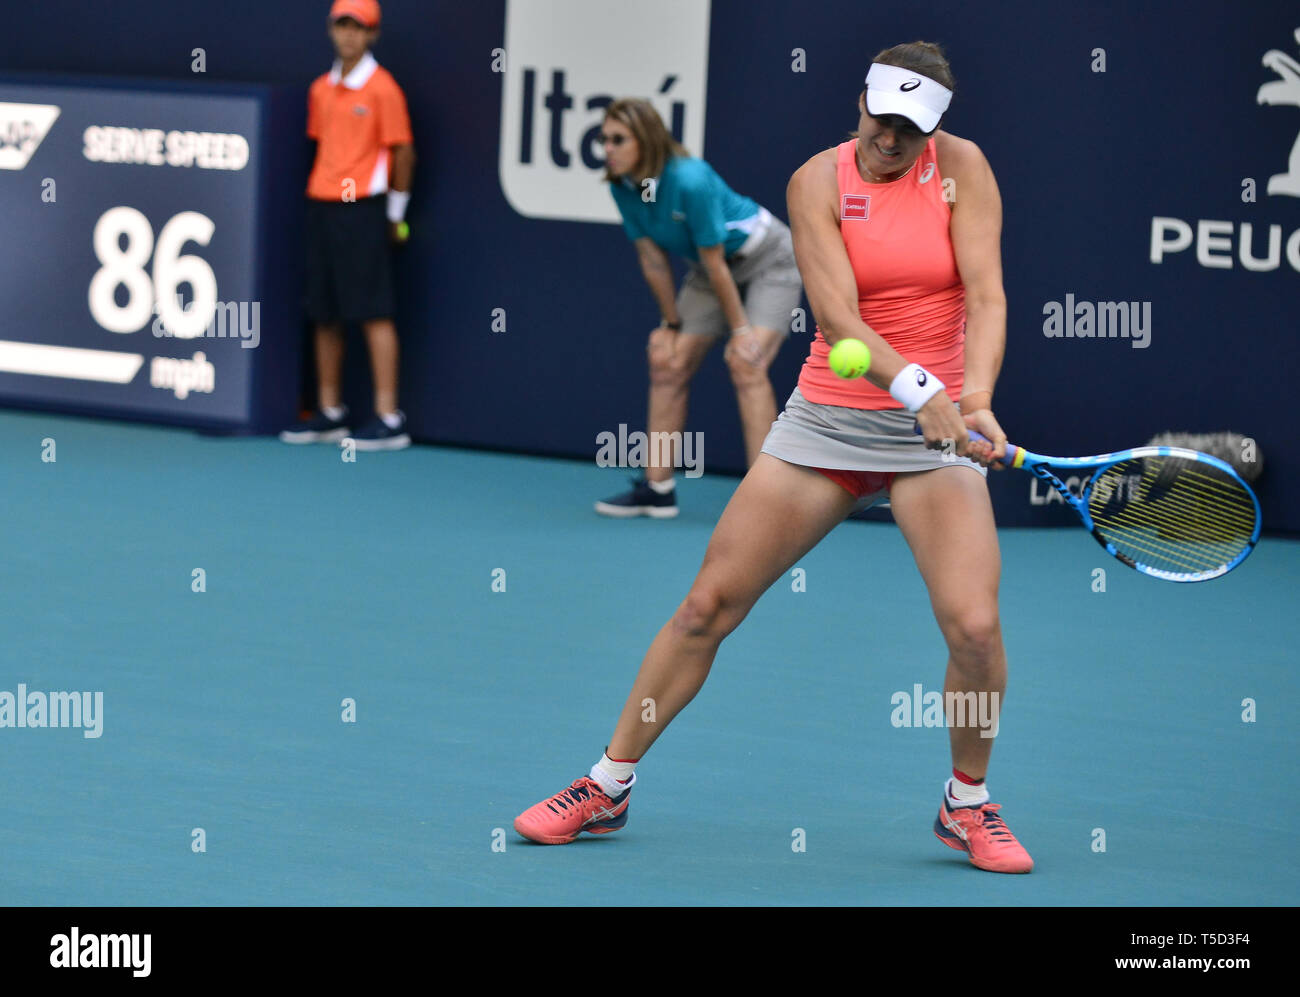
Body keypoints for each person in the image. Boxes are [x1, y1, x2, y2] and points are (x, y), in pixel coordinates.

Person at [516, 42, 1034, 874]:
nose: (891, 140)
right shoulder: (816, 181)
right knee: (708, 605)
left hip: (935, 440)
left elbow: (988, 294)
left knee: (975, 627)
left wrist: (972, 401)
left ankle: (967, 802)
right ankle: (605, 783)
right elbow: (834, 315)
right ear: (859, 99)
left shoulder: (963, 169)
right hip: (830, 422)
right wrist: (921, 391)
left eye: (910, 128)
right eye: (881, 118)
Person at [593, 98, 804, 518]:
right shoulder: (621, 185)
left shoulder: (690, 179)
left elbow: (713, 259)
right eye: (604, 139)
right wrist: (671, 323)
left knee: (747, 362)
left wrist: (741, 331)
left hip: (768, 261)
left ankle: (766, 502)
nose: (607, 149)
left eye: (618, 140)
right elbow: (652, 259)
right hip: (712, 273)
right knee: (666, 359)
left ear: (646, 139)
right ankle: (658, 488)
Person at [280, 0, 416, 451]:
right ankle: (331, 412)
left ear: (372, 35)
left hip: (364, 209)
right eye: (342, 26)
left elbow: (402, 152)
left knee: (374, 311)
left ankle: (388, 417)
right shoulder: (320, 89)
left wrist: (395, 215)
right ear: (331, 30)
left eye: (358, 28)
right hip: (321, 205)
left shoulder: (384, 89)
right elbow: (323, 144)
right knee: (324, 312)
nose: (349, 36)